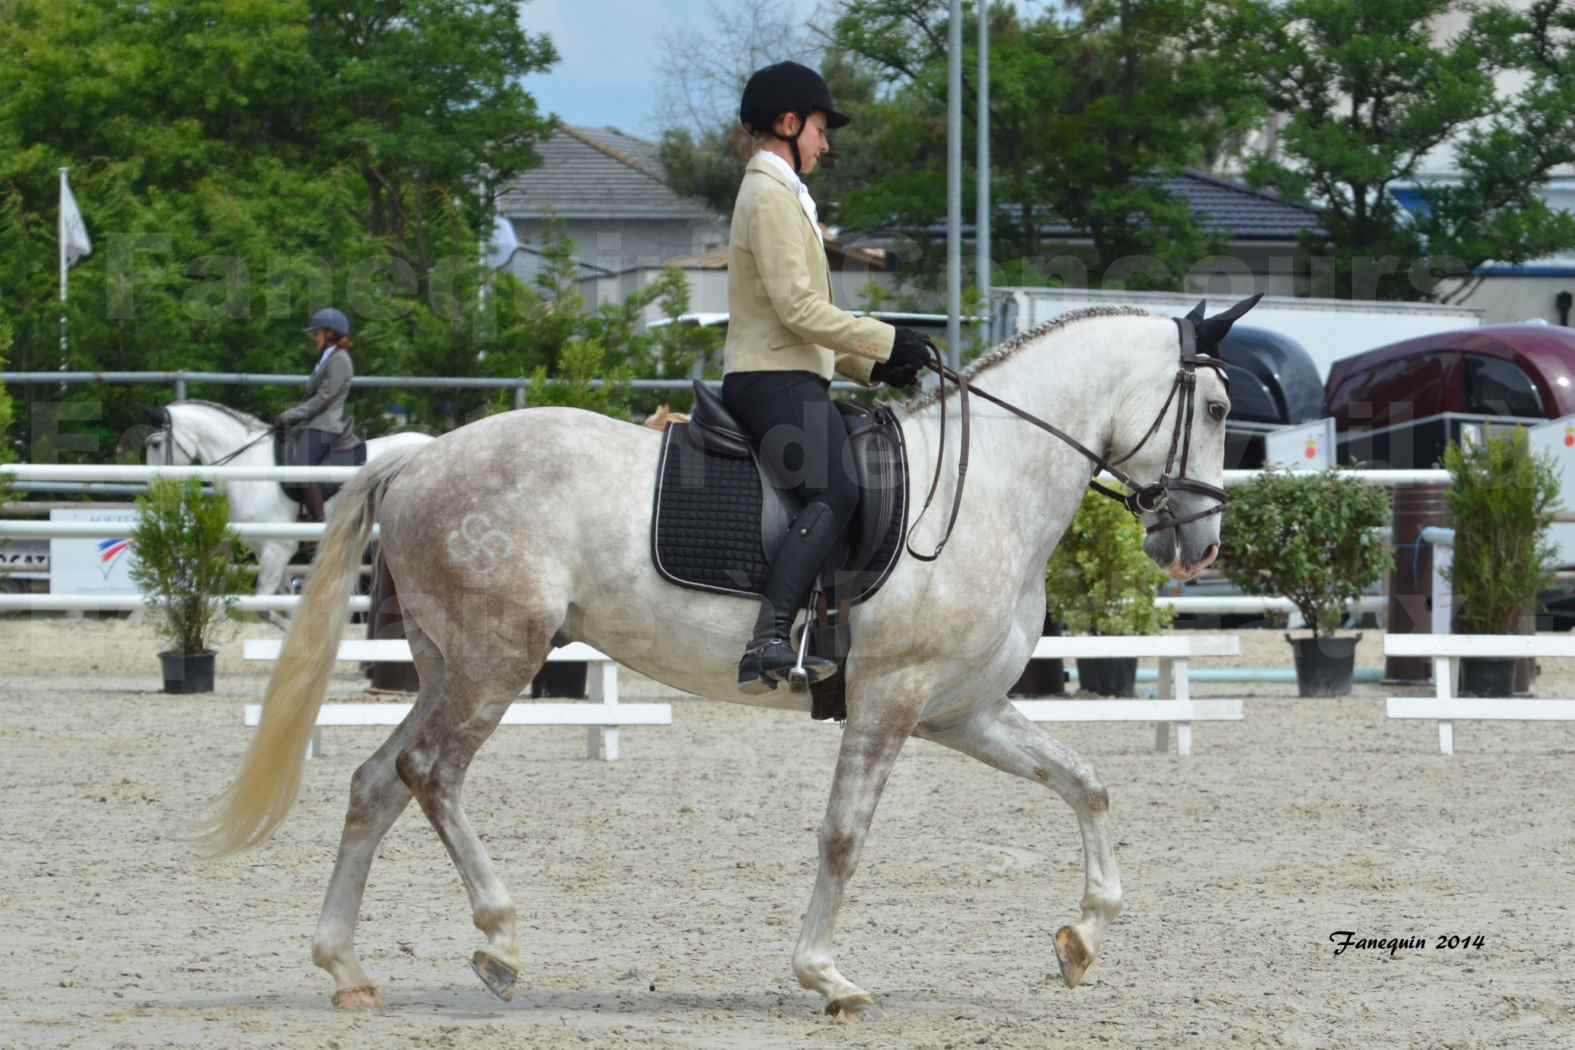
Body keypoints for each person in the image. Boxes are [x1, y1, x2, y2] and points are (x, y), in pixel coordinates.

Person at [722, 60, 932, 694]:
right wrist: (887, 337)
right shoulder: (768, 194)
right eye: (818, 128)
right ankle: (769, 635)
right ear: (788, 124)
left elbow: (803, 326)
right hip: (770, 380)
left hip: (793, 372)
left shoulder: (783, 194)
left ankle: (830, 634)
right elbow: (799, 311)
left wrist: (879, 364)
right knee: (835, 489)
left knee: (868, 470)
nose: (825, 142)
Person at [274, 307, 355, 521]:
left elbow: (323, 398)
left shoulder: (340, 360)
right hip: (313, 423)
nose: (313, 338)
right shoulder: (326, 358)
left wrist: (290, 415)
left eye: (316, 333)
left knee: (301, 467)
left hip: (325, 425)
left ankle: (320, 524)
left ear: (330, 334)